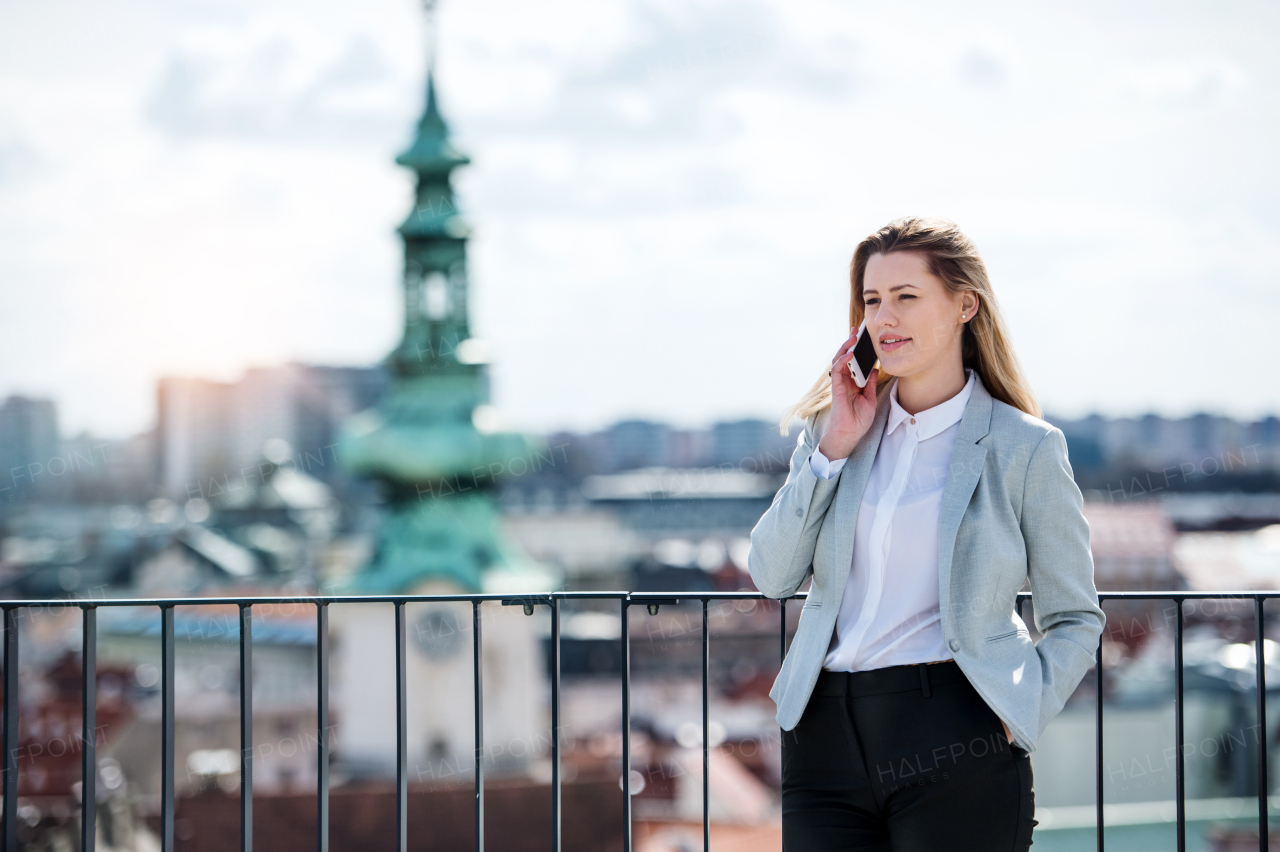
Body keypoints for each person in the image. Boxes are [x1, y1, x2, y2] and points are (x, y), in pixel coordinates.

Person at [748, 216, 1105, 851]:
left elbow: (1075, 615)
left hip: (955, 730)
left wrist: (1017, 714)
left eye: (906, 297)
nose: (884, 317)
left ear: (965, 303)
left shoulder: (1025, 448)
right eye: (872, 300)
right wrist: (833, 446)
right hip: (822, 737)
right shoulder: (832, 433)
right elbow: (771, 573)